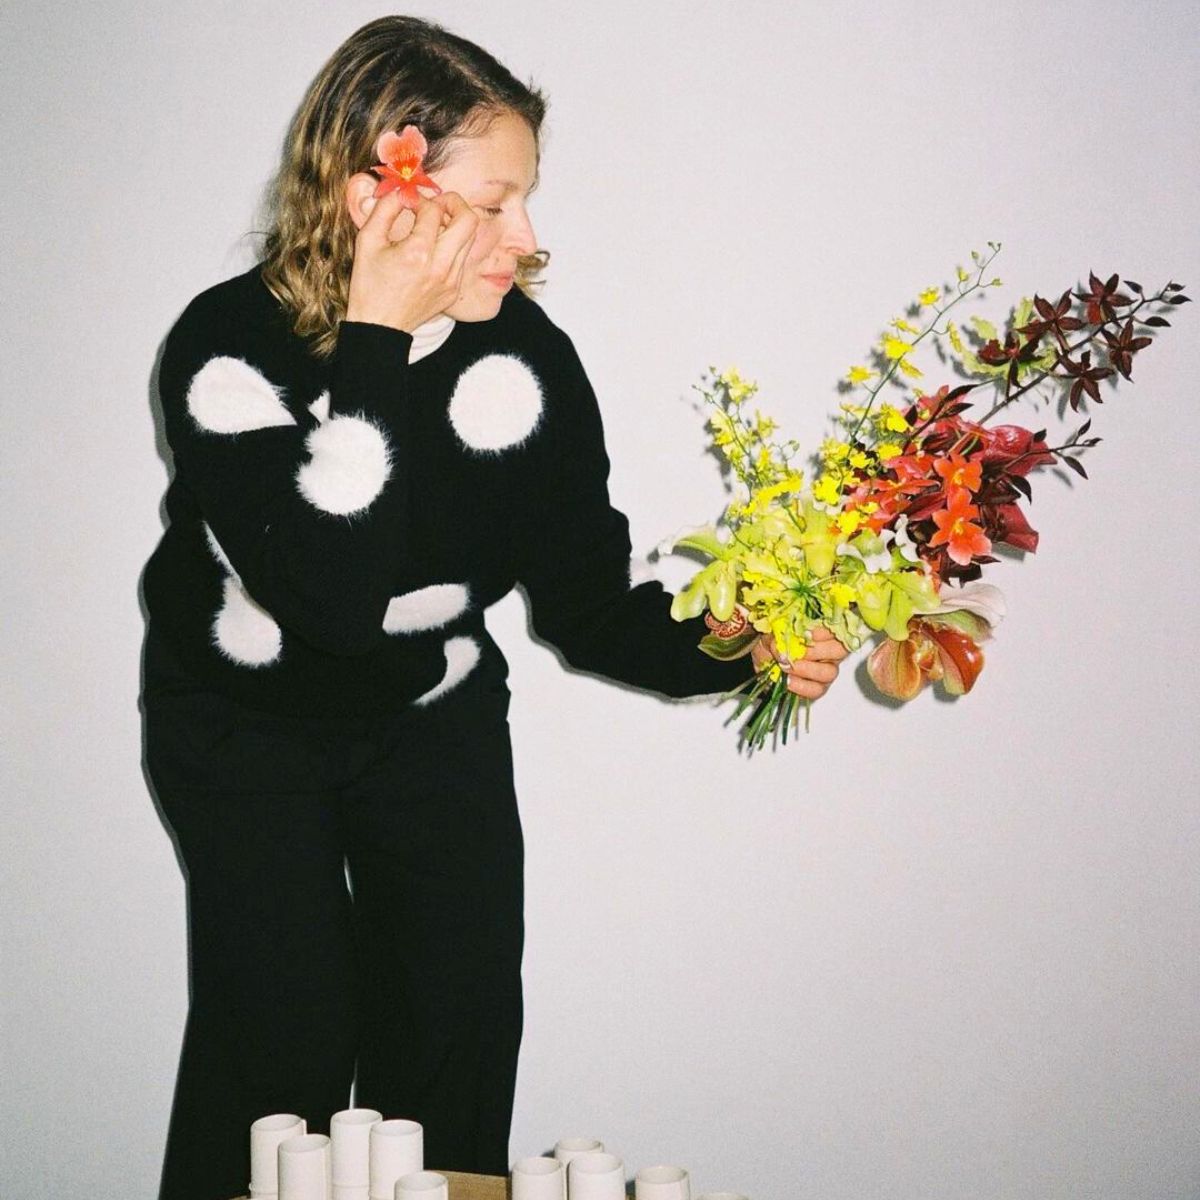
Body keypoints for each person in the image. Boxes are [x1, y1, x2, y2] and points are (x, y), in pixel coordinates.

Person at [140, 15, 848, 1200]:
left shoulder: (525, 367)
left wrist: (747, 645)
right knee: (282, 1049)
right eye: (496, 202)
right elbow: (327, 597)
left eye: (525, 202)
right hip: (243, 726)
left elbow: (588, 602)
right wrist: (374, 338)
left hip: (432, 718)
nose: (528, 239)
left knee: (456, 1032)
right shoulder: (229, 348)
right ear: (378, 193)